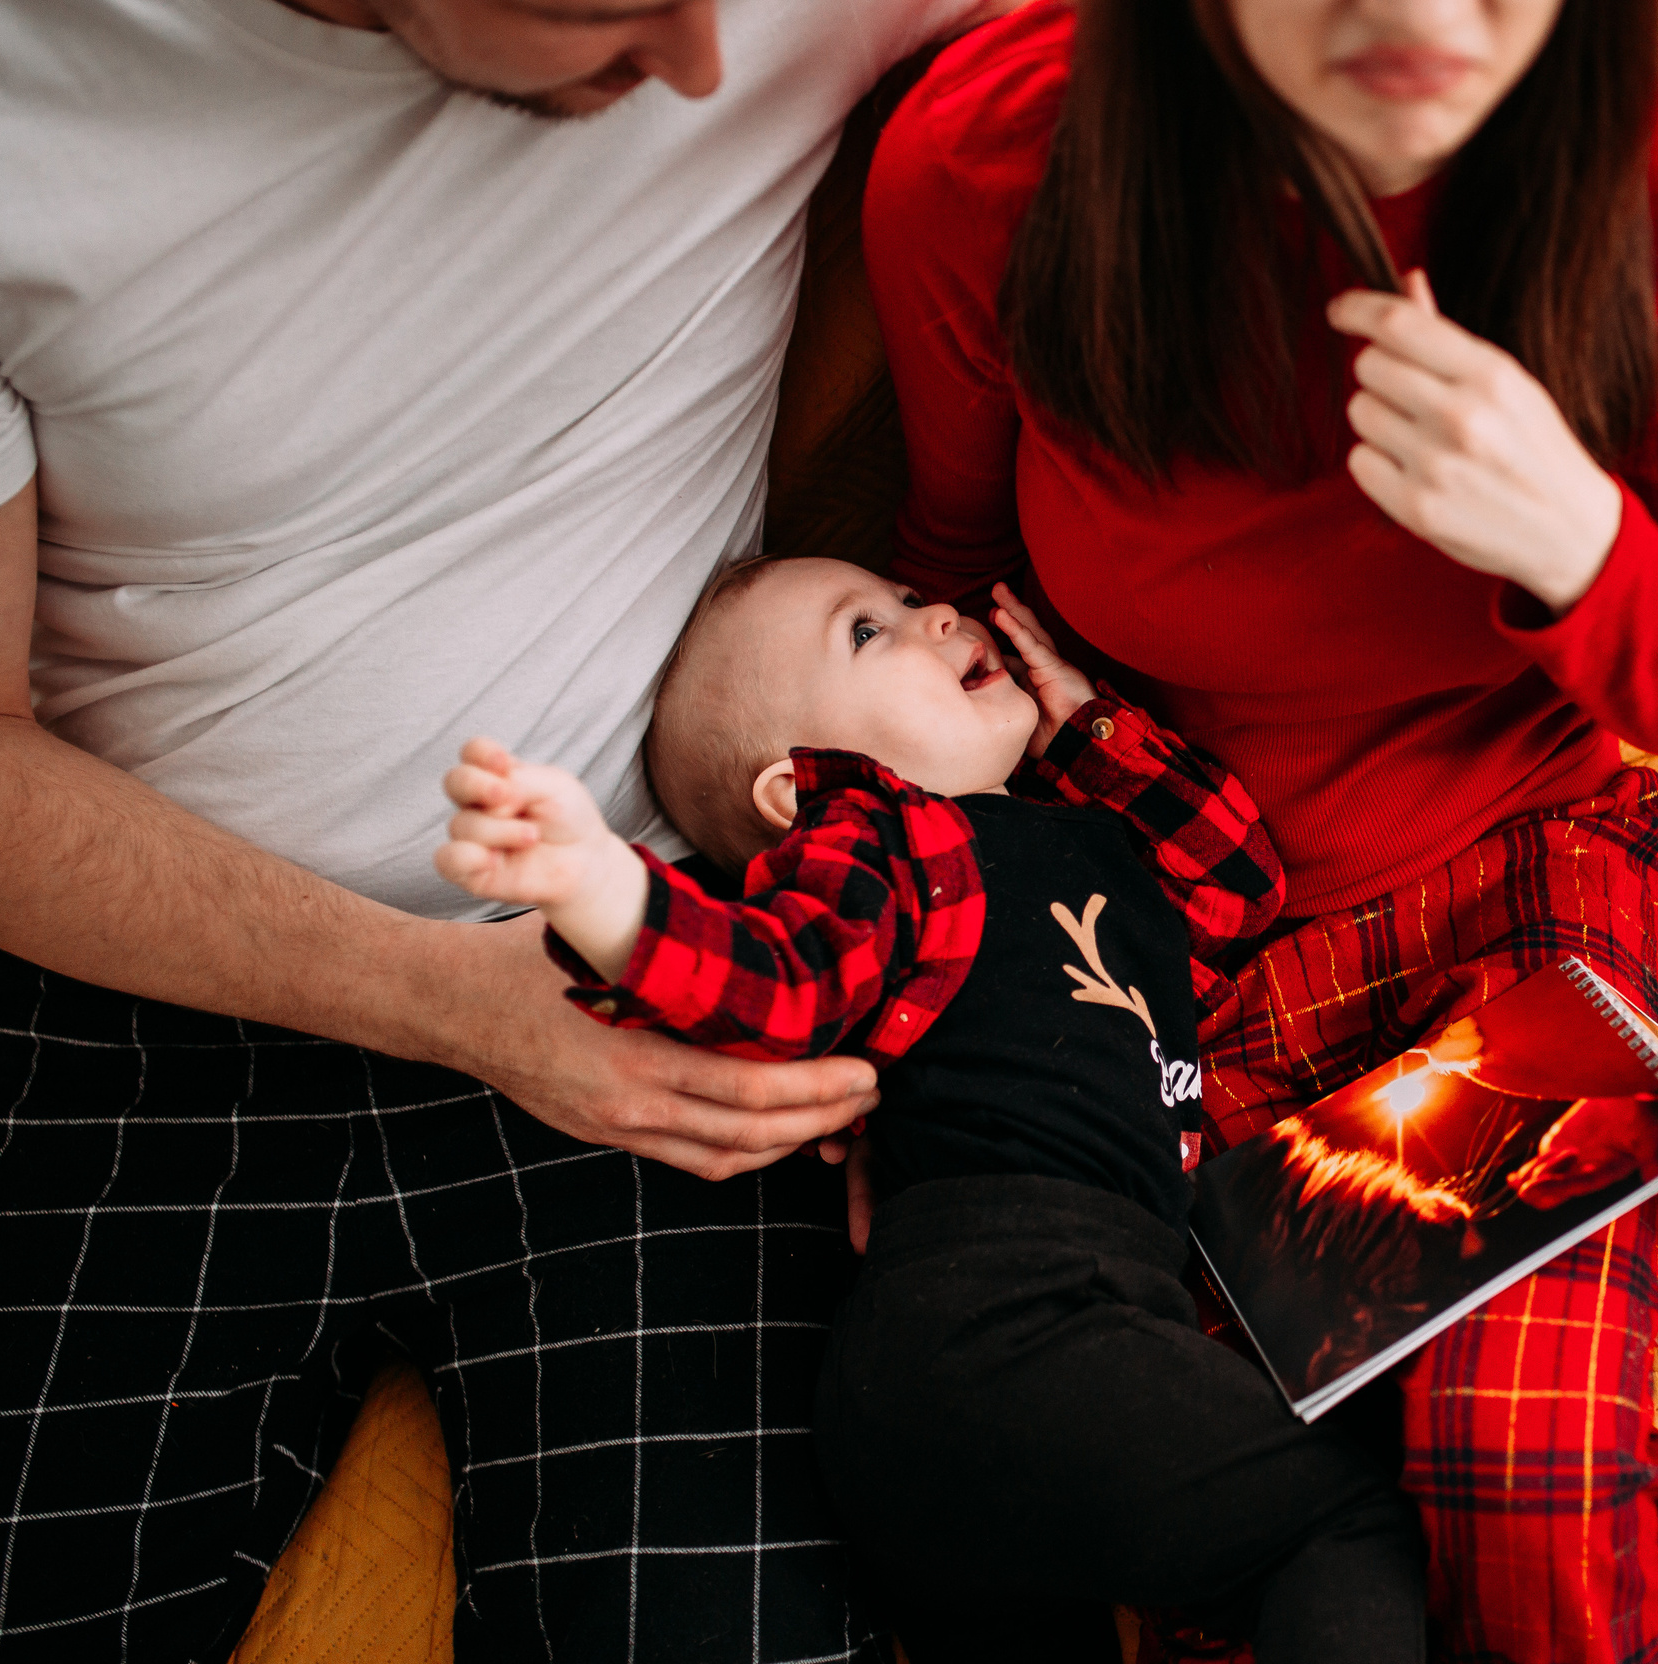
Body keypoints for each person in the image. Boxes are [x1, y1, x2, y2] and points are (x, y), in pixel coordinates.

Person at [0, 0, 995, 1657]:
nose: (705, 63)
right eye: (605, 10)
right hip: (139, 990)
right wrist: (448, 1000)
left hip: (674, 962)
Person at [860, 0, 1658, 1654]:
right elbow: (950, 596)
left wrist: (1579, 544)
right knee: (1232, 1543)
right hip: (1162, 934)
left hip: (1511, 882)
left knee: (1528, 1486)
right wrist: (909, 1012)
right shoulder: (987, 165)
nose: (1423, 21)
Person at [434, 559, 1426, 1664]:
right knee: (1341, 1523)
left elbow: (1236, 887)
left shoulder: (1084, 842)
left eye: (908, 599)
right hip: (1008, 1313)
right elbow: (776, 986)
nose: (936, 612)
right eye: (866, 632)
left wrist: (1086, 730)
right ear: (800, 794)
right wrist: (611, 900)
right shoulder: (895, 843)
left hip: (985, 1380)